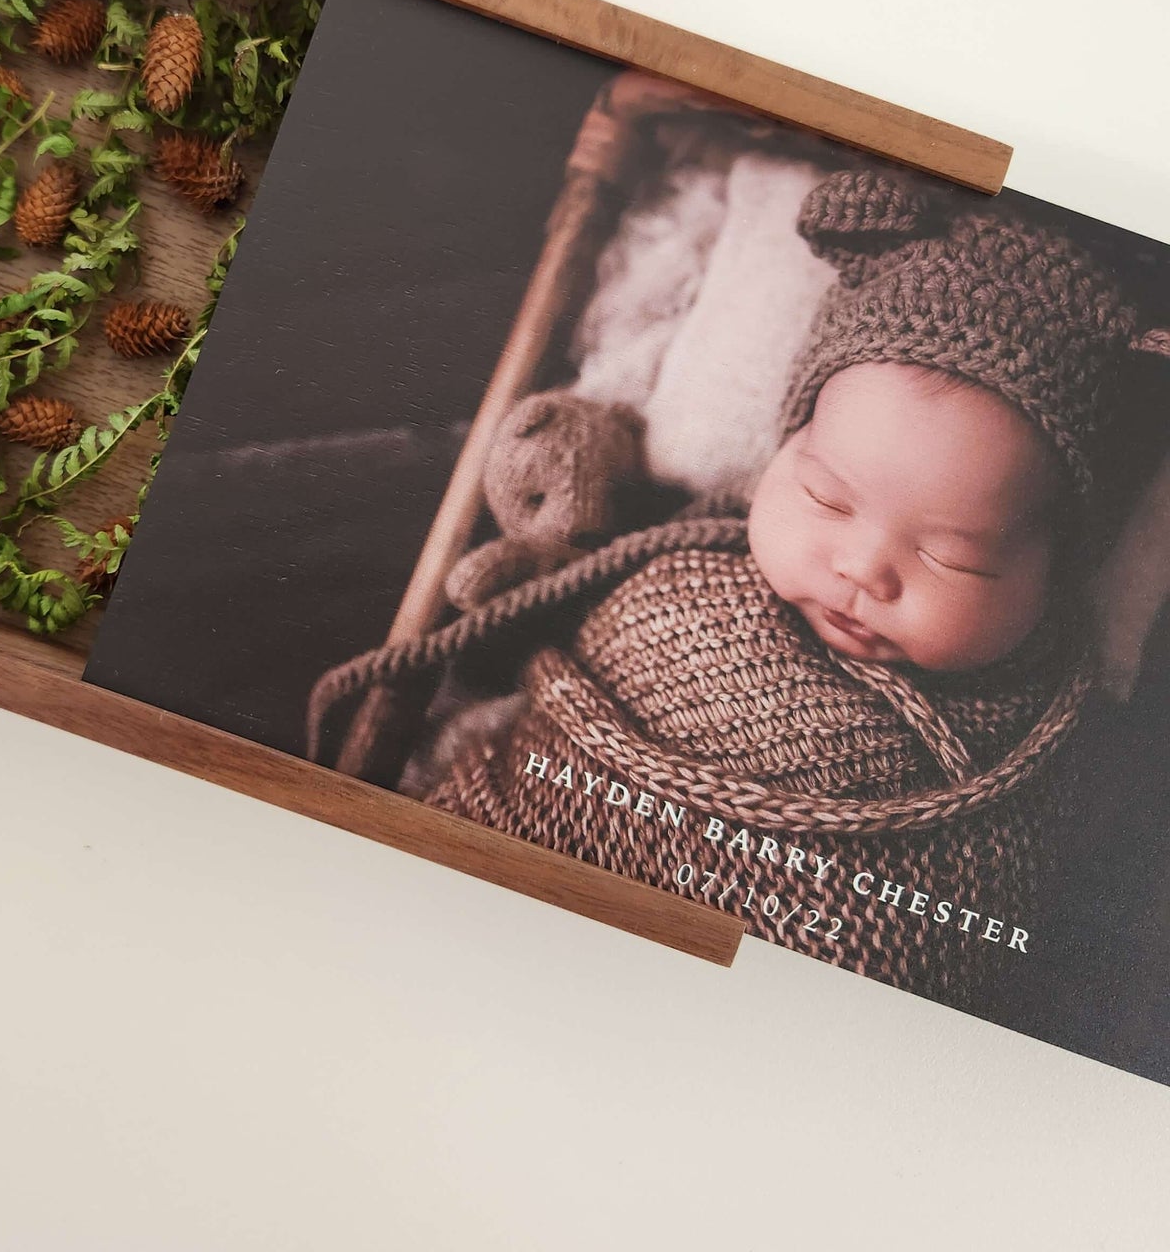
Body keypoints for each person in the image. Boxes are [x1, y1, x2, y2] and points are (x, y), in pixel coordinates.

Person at [308, 168, 1169, 996]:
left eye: (955, 557)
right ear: (783, 452)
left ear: (1058, 574)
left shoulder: (1060, 724)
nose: (862, 567)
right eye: (827, 498)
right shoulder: (687, 558)